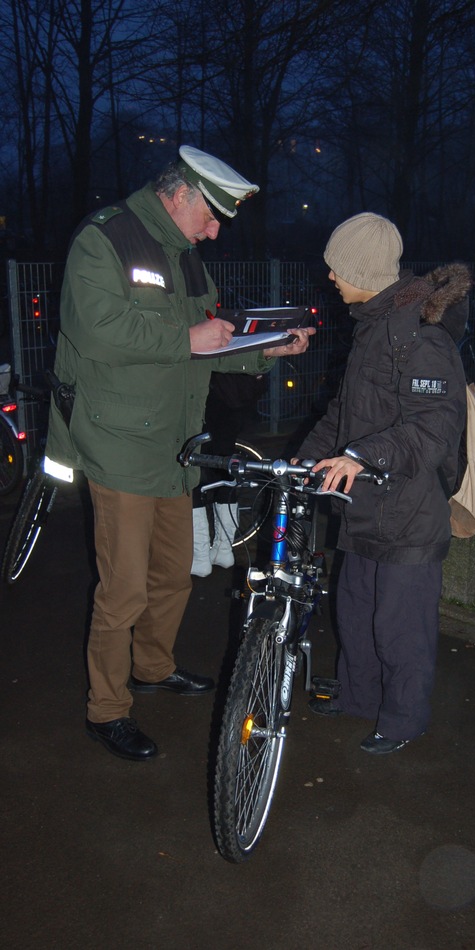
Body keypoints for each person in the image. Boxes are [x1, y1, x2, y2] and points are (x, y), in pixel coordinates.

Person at [45, 145, 315, 761]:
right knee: (123, 590)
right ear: (181, 196)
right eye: (212, 216)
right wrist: (183, 336)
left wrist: (264, 350)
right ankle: (106, 710)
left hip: (174, 446)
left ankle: (153, 667)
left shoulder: (186, 258)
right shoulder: (105, 239)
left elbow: (208, 341)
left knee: (173, 573)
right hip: (120, 446)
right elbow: (95, 329)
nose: (215, 230)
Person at [295, 212, 471, 754]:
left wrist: (362, 456)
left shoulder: (420, 336)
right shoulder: (373, 324)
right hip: (366, 503)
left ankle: (401, 720)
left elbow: (434, 428)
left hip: (408, 511)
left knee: (401, 629)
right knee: (354, 611)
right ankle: (357, 695)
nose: (329, 277)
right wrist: (304, 465)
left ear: (363, 270)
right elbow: (344, 415)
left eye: (336, 267)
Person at [190, 370, 268, 575]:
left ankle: (199, 556)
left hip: (210, 397)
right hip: (238, 396)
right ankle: (223, 549)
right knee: (225, 469)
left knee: (193, 469)